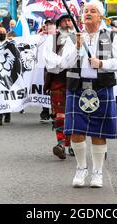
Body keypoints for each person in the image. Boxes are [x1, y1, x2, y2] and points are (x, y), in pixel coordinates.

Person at [48, 0, 117, 188]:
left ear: (100, 17)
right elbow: (64, 64)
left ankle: (97, 172)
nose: (88, 14)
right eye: (85, 11)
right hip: (77, 88)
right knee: (76, 131)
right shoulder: (73, 38)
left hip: (101, 88)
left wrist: (102, 64)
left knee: (99, 132)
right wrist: (77, 47)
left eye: (93, 11)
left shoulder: (110, 37)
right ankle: (81, 169)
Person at [44, 14, 75, 159]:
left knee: (74, 115)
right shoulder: (52, 39)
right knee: (60, 114)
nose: (68, 23)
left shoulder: (79, 38)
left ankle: (72, 144)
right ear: (59, 24)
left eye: (69, 20)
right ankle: (61, 143)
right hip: (59, 80)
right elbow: (48, 58)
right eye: (64, 21)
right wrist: (63, 63)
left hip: (76, 80)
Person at [0, 26, 12, 125]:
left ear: (6, 33)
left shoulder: (10, 43)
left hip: (7, 74)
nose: (1, 33)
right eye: (0, 32)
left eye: (3, 32)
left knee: (6, 94)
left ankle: (7, 112)